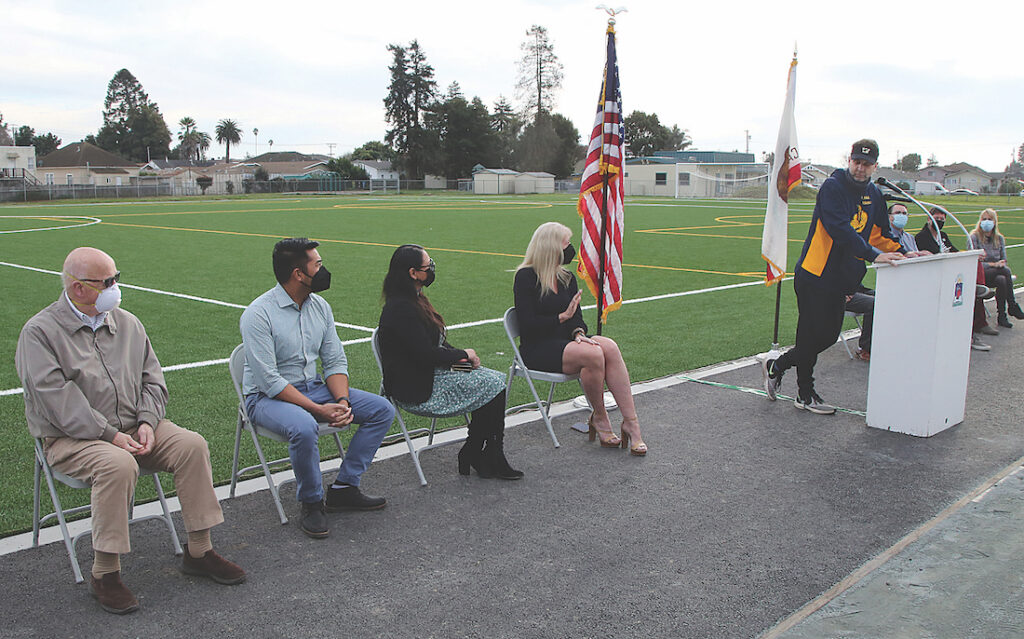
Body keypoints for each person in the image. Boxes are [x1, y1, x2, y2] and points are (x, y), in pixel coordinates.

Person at [15, 247, 245, 615]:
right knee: (118, 465)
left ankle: (199, 550)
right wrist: (110, 435)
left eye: (115, 278)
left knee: (191, 445)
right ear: (77, 288)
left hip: (134, 428)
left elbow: (152, 380)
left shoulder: (127, 323)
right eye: (105, 282)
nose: (114, 288)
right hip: (73, 439)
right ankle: (105, 573)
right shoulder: (40, 333)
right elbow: (56, 401)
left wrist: (146, 423)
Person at [240, 238, 395, 539]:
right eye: (318, 265)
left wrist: (342, 401)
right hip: (265, 398)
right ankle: (311, 502)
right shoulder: (258, 315)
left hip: (313, 388)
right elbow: (269, 381)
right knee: (304, 426)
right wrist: (317, 409)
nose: (324, 270)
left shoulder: (320, 306)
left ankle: (344, 488)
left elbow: (335, 360)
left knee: (381, 410)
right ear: (299, 274)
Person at [762, 139, 905, 414]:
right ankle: (804, 392)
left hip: (842, 279)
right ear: (849, 161)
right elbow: (841, 230)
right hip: (815, 274)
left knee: (824, 337)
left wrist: (906, 251)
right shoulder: (833, 187)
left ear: (875, 166)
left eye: (866, 164)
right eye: (856, 162)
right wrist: (875, 256)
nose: (860, 169)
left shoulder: (874, 194)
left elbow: (878, 234)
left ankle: (779, 367)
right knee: (813, 336)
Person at [377, 245, 522, 479]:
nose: (432, 268)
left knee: (494, 379)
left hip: (432, 370)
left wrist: (463, 358)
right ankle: (478, 451)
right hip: (418, 383)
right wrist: (462, 354)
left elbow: (437, 344)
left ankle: (484, 451)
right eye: (427, 265)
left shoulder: (414, 299)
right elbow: (426, 353)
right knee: (491, 385)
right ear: (413, 273)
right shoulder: (401, 308)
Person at [513, 222, 647, 455]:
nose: (570, 249)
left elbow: (577, 318)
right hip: (537, 347)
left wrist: (578, 333)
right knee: (593, 353)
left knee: (609, 347)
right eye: (566, 244)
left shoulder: (566, 277)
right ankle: (600, 418)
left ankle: (631, 423)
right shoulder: (526, 277)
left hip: (567, 341)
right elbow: (527, 325)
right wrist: (560, 318)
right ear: (551, 247)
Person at [971, 208, 1023, 328]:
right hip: (981, 275)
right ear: (980, 221)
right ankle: (1012, 305)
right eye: (984, 219)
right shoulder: (974, 237)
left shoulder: (999, 239)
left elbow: (1004, 259)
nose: (987, 222)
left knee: (1002, 279)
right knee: (1006, 271)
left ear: (994, 222)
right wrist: (994, 265)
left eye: (990, 219)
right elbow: (974, 263)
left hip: (997, 274)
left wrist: (1000, 264)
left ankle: (1002, 316)